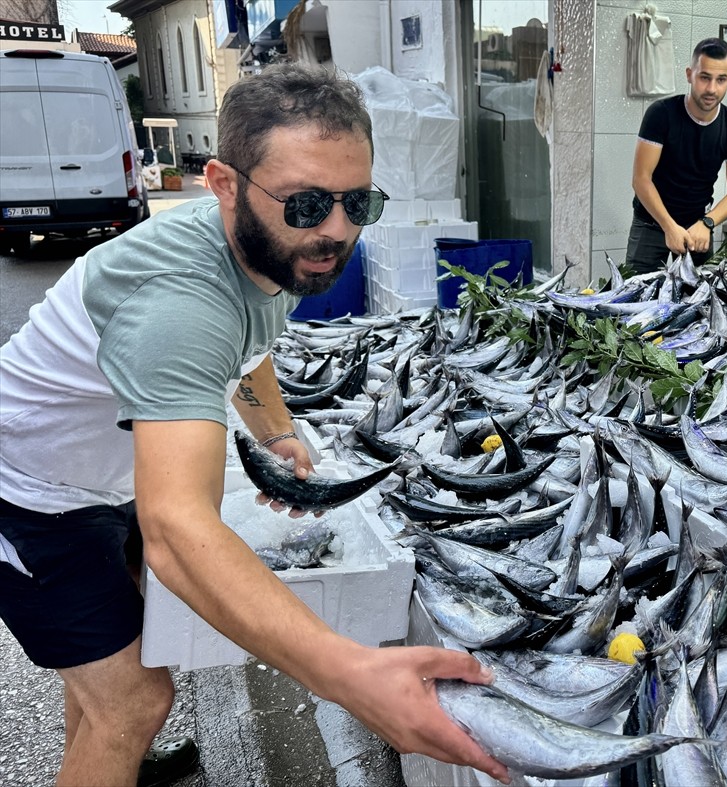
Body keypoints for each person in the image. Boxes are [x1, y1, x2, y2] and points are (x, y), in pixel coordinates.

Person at [0, 63, 510, 787]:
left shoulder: (273, 253)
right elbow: (177, 529)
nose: (336, 230)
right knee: (136, 702)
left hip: (98, 475)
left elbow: (247, 346)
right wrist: (351, 672)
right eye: (305, 203)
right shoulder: (178, 303)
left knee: (108, 666)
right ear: (224, 184)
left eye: (356, 200)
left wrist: (275, 431)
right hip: (29, 497)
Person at [626, 37, 727, 275]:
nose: (712, 89)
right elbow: (641, 179)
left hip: (698, 226)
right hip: (651, 223)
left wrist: (708, 222)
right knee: (638, 296)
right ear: (689, 74)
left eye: (721, 79)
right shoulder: (660, 115)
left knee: (701, 301)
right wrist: (669, 226)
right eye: (704, 77)